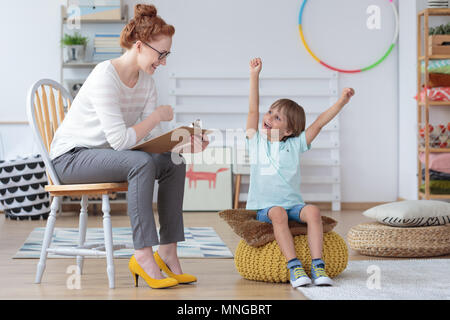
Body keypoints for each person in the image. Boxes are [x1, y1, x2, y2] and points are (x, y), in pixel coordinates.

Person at [49, 4, 208, 289]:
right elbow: (121, 141)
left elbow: (151, 138)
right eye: (161, 54)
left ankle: (168, 252)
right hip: (70, 158)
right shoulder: (104, 76)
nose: (163, 62)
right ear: (139, 46)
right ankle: (143, 255)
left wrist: (180, 143)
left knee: (174, 162)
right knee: (141, 163)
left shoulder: (146, 82)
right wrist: (156, 115)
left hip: (108, 156)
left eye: (166, 55)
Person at [245, 57, 354, 287]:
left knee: (313, 211)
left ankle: (318, 265)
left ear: (289, 130)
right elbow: (253, 109)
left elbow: (319, 124)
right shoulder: (256, 141)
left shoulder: (295, 144)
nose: (268, 118)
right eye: (270, 112)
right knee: (278, 214)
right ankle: (294, 266)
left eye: (277, 118)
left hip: (293, 205)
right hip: (267, 208)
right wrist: (255, 76)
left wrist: (341, 102)